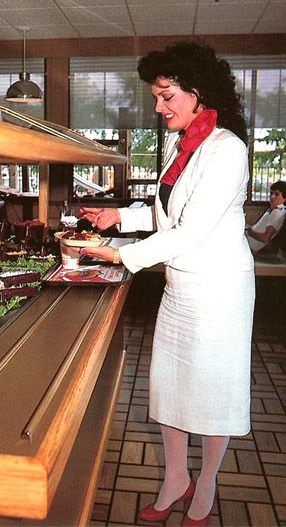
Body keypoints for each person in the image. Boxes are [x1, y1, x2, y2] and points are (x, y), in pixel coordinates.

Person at [80, 41, 255, 526]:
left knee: (212, 392)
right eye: (157, 97)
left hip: (219, 291)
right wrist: (118, 215)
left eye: (166, 96)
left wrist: (120, 255)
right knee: (172, 387)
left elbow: (193, 229)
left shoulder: (227, 149)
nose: (158, 108)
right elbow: (167, 213)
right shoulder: (186, 146)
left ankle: (207, 484)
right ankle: (175, 477)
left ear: (198, 93)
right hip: (181, 287)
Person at [246, 180, 286, 254]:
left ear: (285, 198)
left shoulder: (276, 212)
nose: (272, 196)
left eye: (277, 194)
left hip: (251, 243)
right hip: (249, 240)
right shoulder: (274, 210)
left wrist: (249, 232)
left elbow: (265, 238)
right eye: (271, 193)